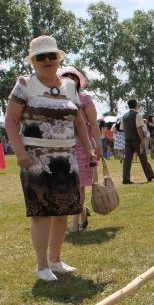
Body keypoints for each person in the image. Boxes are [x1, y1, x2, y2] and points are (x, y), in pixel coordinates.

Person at [4, 35, 97, 282]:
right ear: (33, 61)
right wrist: (20, 152)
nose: (47, 60)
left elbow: (78, 121)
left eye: (51, 56)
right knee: (42, 210)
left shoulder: (69, 86)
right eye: (41, 57)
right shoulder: (24, 84)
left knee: (64, 209)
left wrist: (88, 150)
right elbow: (10, 121)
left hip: (67, 157)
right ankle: (42, 265)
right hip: (35, 158)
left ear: (58, 59)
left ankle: (56, 260)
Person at [60, 66, 102, 232]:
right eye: (66, 77)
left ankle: (74, 223)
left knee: (81, 185)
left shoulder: (85, 100)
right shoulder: (58, 102)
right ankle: (82, 210)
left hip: (83, 148)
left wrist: (98, 145)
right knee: (67, 186)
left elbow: (94, 124)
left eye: (73, 77)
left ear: (78, 81)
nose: (70, 80)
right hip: (63, 148)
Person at [121, 99, 154, 184]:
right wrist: (142, 140)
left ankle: (125, 179)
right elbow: (139, 128)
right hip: (136, 140)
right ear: (136, 105)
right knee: (143, 159)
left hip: (127, 140)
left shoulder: (124, 116)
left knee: (127, 161)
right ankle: (150, 175)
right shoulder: (137, 114)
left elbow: (123, 129)